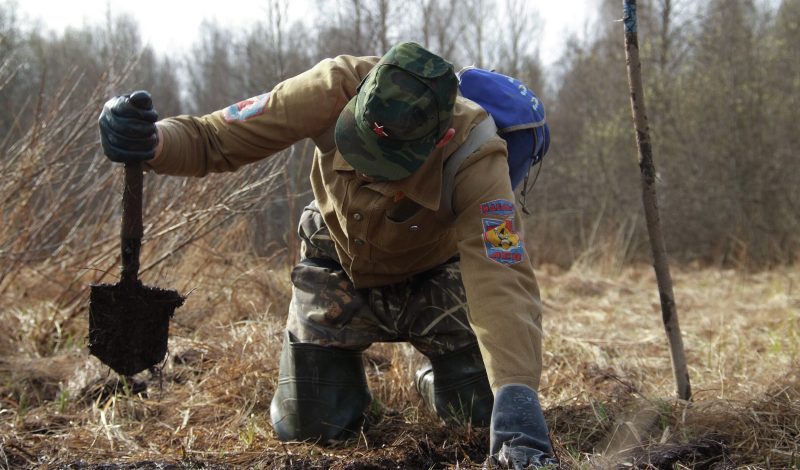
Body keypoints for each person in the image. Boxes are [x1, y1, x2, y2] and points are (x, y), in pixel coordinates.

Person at [99, 42, 557, 468]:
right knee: (311, 426)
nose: (363, 169)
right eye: (358, 145)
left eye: (384, 163)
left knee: (481, 415)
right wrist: (153, 141)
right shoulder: (330, 88)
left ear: (440, 140)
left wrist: (516, 395)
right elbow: (217, 137)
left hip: (435, 276)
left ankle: (438, 381)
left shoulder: (478, 155)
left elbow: (502, 274)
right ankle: (339, 390)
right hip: (338, 265)